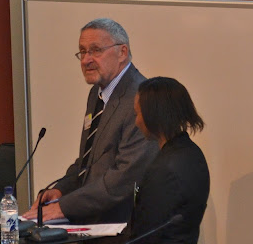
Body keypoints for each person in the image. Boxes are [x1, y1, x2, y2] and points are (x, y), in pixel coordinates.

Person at [23, 18, 158, 224]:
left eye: (96, 50)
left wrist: (64, 207)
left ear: (122, 52)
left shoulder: (140, 99)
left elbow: (126, 177)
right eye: (83, 51)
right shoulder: (97, 93)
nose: (86, 60)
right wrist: (61, 190)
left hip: (123, 225)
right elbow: (89, 160)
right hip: (92, 219)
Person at [131, 76, 210, 244]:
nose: (136, 122)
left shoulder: (165, 169)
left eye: (138, 114)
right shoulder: (192, 153)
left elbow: (146, 233)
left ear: (153, 115)